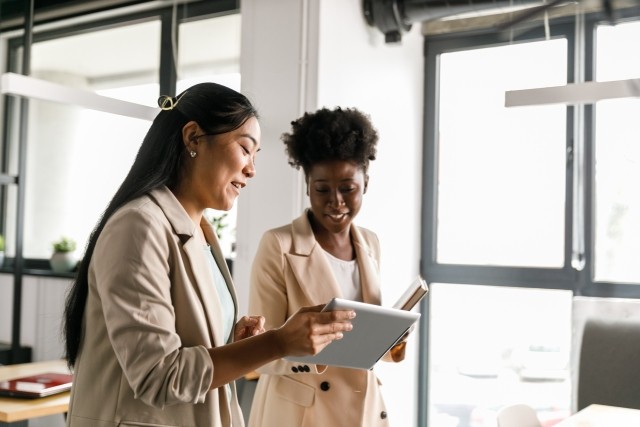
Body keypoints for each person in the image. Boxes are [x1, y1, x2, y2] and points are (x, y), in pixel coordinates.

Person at [62, 83, 355, 427]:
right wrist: (277, 342)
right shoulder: (138, 226)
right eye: (246, 149)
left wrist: (235, 341)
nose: (252, 170)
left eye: (256, 156)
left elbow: (189, 344)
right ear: (193, 138)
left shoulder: (201, 232)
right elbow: (159, 375)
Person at [247, 106, 407, 427]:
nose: (336, 201)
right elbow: (260, 353)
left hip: (364, 410)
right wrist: (314, 349)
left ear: (366, 184)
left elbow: (362, 335)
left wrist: (391, 345)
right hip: (303, 414)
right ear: (307, 186)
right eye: (322, 189)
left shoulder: (371, 244)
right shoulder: (278, 246)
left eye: (348, 188)